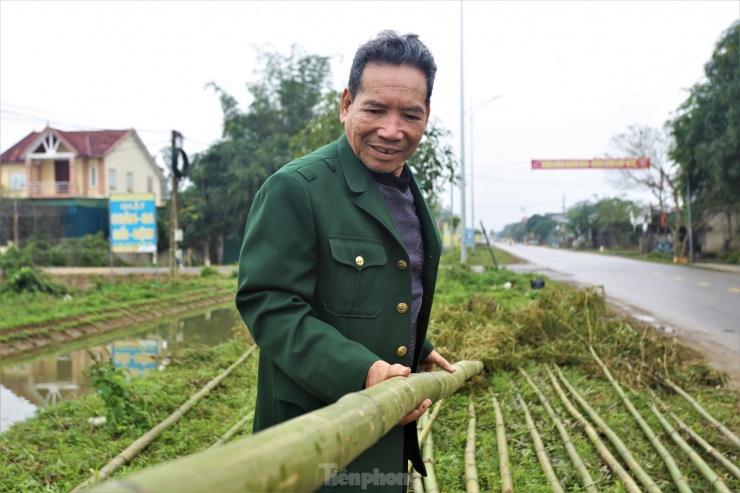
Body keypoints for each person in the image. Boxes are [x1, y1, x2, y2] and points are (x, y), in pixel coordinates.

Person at [235, 30, 454, 491]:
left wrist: (417, 342)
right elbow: (271, 305)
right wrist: (365, 371)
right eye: (375, 109)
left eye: (409, 115)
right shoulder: (298, 188)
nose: (391, 130)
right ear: (347, 104)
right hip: (314, 435)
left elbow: (380, 288)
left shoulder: (408, 192)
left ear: (426, 116)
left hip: (387, 439)